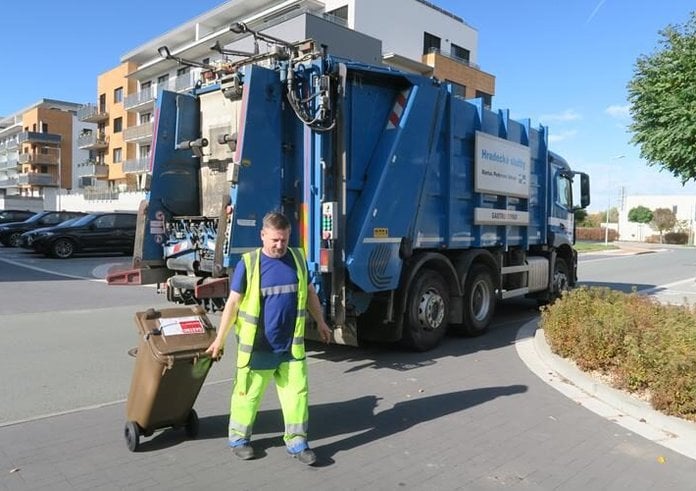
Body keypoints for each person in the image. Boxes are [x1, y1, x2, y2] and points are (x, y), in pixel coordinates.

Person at [206, 211, 332, 465]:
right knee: (248, 395)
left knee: (297, 395)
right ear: (262, 235)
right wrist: (219, 339)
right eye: (275, 240)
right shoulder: (249, 264)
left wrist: (321, 322)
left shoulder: (297, 259)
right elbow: (232, 304)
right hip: (259, 347)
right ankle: (239, 439)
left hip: (291, 346)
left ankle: (297, 442)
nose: (280, 245)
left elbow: (309, 293)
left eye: (284, 240)